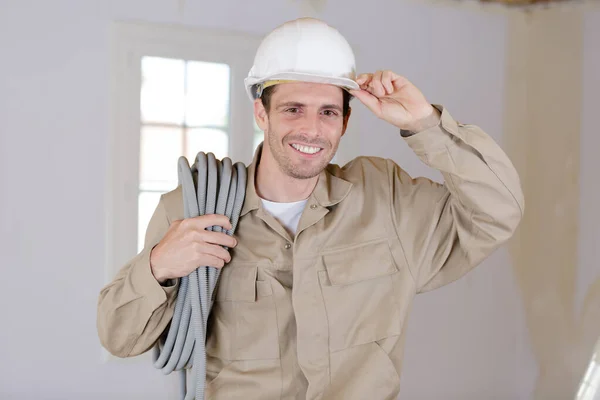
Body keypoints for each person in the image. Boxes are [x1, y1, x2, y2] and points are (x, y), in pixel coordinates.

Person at [97, 17, 524, 400]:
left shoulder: (386, 200)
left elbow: (498, 210)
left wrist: (425, 123)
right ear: (261, 113)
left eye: (328, 112)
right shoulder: (193, 209)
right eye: (293, 109)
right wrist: (158, 267)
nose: (312, 129)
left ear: (345, 122)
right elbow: (119, 338)